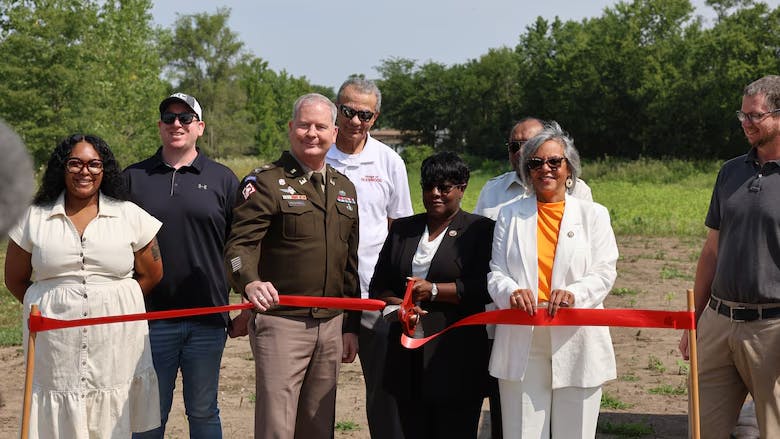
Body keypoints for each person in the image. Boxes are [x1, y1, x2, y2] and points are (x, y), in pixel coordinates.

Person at [4, 134, 163, 437]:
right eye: (74, 163)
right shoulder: (32, 217)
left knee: (111, 416)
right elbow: (14, 278)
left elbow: (152, 273)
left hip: (115, 339)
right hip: (54, 342)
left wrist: (115, 303)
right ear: (61, 168)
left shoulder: (129, 215)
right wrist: (55, 304)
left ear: (105, 170)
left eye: (94, 164)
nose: (84, 171)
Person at [224, 93, 360, 439]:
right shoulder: (266, 182)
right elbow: (240, 245)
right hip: (282, 323)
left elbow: (349, 264)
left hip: (331, 325)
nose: (311, 133)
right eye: (303, 125)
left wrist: (351, 326)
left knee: (318, 425)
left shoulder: (345, 189)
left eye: (319, 126)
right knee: (277, 427)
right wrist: (249, 283)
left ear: (334, 131)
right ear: (290, 128)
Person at [487, 122, 618, 438]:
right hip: (522, 340)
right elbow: (496, 273)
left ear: (569, 167)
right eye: (535, 163)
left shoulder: (594, 215)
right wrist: (511, 292)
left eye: (554, 162)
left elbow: (604, 272)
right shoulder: (509, 214)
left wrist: (574, 294)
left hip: (577, 338)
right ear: (526, 170)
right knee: (522, 433)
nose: (545, 169)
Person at [125, 93, 239, 439]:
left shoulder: (223, 179)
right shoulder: (133, 178)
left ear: (199, 128)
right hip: (148, 318)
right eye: (169, 117)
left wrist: (248, 301)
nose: (177, 123)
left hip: (207, 318)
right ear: (160, 126)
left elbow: (242, 246)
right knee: (148, 412)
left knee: (203, 410)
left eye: (185, 118)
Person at [678, 75, 780, 438]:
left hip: (772, 329)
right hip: (718, 323)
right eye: (743, 115)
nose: (746, 123)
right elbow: (711, 251)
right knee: (702, 430)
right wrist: (696, 321)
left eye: (756, 116)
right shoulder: (730, 172)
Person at [370, 151, 494, 439]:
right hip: (406, 357)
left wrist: (435, 291)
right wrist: (398, 307)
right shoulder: (403, 229)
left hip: (456, 356)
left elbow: (484, 286)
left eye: (445, 187)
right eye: (429, 186)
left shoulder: (479, 230)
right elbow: (380, 284)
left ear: (462, 188)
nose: (435, 194)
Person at [325, 77, 413, 439]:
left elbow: (400, 230)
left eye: (364, 114)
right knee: (317, 389)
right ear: (336, 109)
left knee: (384, 391)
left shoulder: (389, 162)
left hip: (374, 296)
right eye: (347, 111)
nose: (354, 121)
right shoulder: (317, 154)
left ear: (375, 118)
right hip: (323, 294)